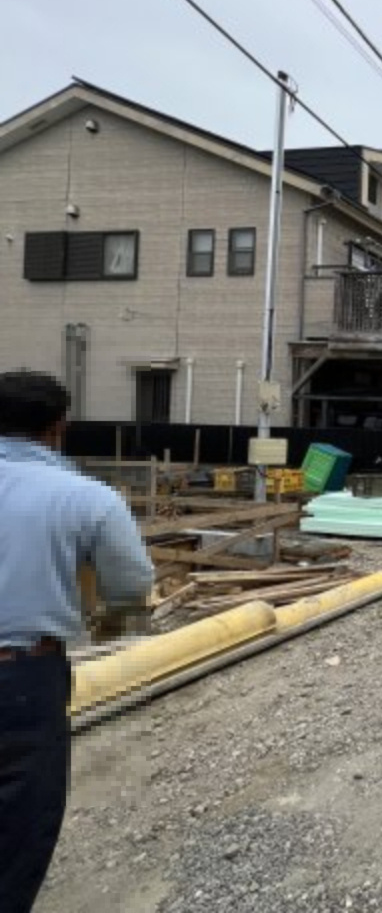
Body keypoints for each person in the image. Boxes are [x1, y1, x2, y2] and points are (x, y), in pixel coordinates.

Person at [0, 371, 153, 913]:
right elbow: (132, 585)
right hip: (21, 679)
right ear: (58, 427)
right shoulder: (86, 497)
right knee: (17, 829)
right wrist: (111, 619)